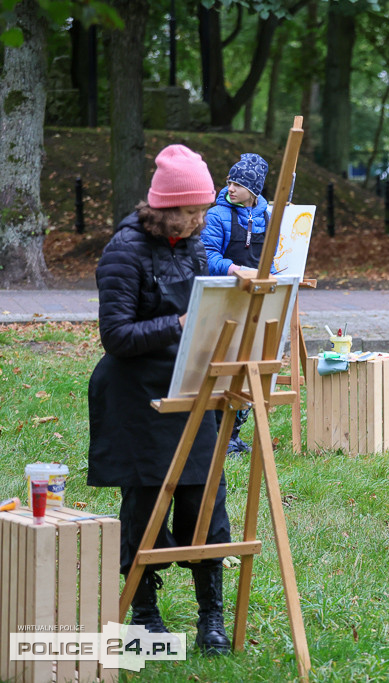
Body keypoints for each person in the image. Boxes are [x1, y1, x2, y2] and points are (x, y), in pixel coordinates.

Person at [88, 144, 231, 654]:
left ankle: (210, 616)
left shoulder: (190, 243)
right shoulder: (124, 251)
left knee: (204, 500)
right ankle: (145, 614)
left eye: (202, 213)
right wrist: (177, 324)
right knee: (147, 504)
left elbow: (203, 299)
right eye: (190, 213)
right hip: (137, 395)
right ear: (165, 208)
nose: (197, 223)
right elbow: (117, 336)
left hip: (190, 386)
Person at [201, 152, 271, 454]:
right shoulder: (217, 216)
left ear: (253, 190)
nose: (230, 188)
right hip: (225, 298)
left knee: (249, 365)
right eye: (229, 182)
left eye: (238, 184)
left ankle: (233, 433)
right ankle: (216, 432)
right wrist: (234, 269)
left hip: (255, 301)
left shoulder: (268, 216)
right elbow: (207, 255)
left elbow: (275, 255)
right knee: (224, 365)